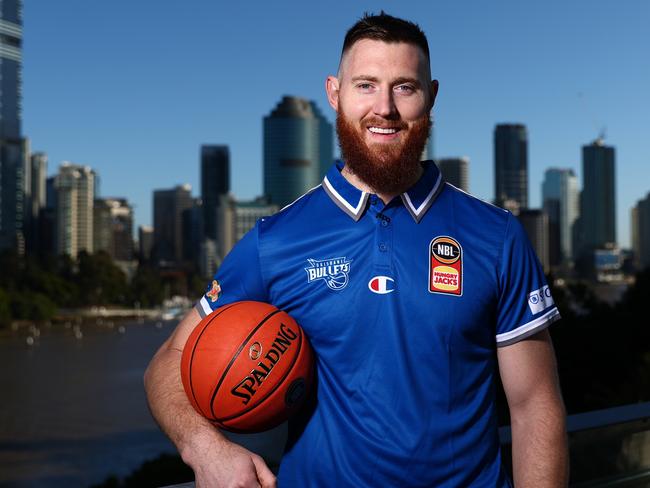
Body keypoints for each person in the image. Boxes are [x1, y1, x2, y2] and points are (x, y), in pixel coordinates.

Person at [145, 12, 568, 487]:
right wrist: (205, 450)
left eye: (404, 87)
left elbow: (535, 405)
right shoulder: (276, 240)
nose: (384, 107)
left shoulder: (497, 235)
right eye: (365, 84)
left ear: (431, 95)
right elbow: (170, 358)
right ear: (334, 93)